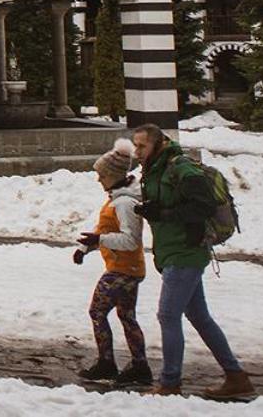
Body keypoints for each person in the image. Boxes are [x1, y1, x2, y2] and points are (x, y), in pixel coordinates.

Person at [130, 124, 253, 399]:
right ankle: (236, 377)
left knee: (168, 315)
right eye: (135, 145)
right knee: (199, 316)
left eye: (141, 146)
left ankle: (170, 382)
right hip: (175, 250)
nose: (136, 151)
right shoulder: (155, 168)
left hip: (186, 251)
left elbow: (202, 205)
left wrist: (162, 212)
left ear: (158, 144)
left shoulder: (179, 167)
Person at [74, 138, 151, 386]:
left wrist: (100, 239)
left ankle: (107, 362)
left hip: (121, 269)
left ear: (113, 175)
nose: (99, 180)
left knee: (97, 311)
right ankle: (140, 365)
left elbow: (130, 240)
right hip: (129, 268)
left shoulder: (124, 203)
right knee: (127, 317)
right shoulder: (118, 198)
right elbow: (104, 230)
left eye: (101, 175)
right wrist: (86, 247)